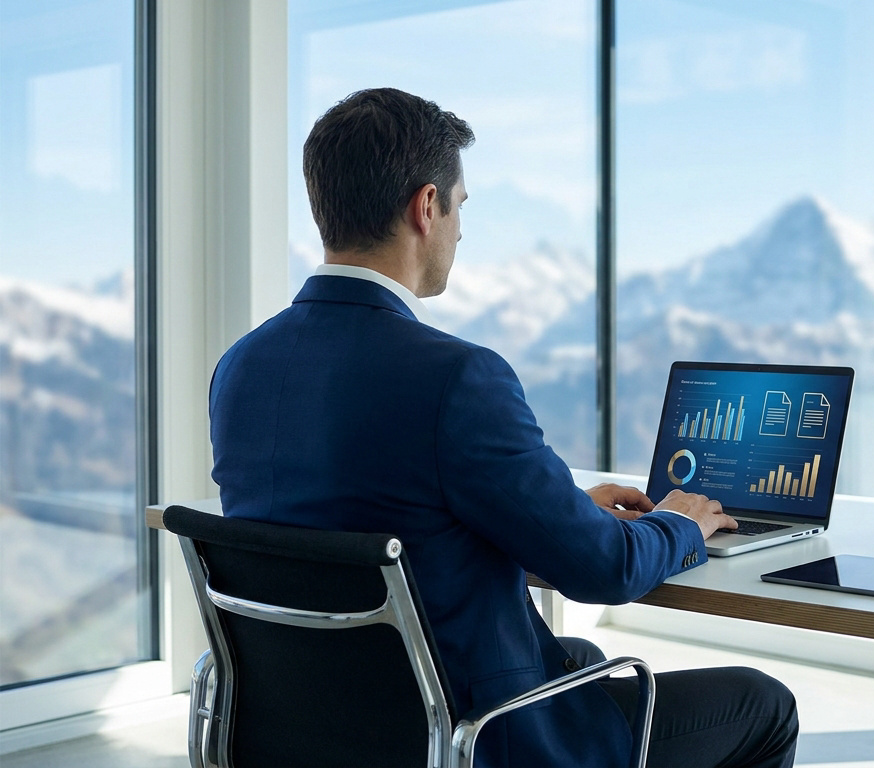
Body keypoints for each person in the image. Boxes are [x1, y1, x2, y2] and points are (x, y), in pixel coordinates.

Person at [209, 87, 799, 768]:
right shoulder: (456, 378)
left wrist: (562, 511)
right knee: (763, 704)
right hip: (457, 734)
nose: (460, 230)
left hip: (320, 724)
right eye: (460, 206)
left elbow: (371, 521)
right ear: (426, 207)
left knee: (578, 659)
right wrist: (680, 523)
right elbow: (603, 569)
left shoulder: (242, 368)